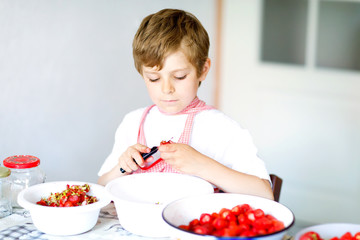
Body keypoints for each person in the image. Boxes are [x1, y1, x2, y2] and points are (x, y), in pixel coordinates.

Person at [97, 8, 274, 200]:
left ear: (203, 70)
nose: (166, 89)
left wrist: (202, 165)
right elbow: (102, 186)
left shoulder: (221, 128)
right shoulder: (133, 123)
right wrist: (122, 168)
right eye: (154, 78)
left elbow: (265, 194)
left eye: (179, 76)